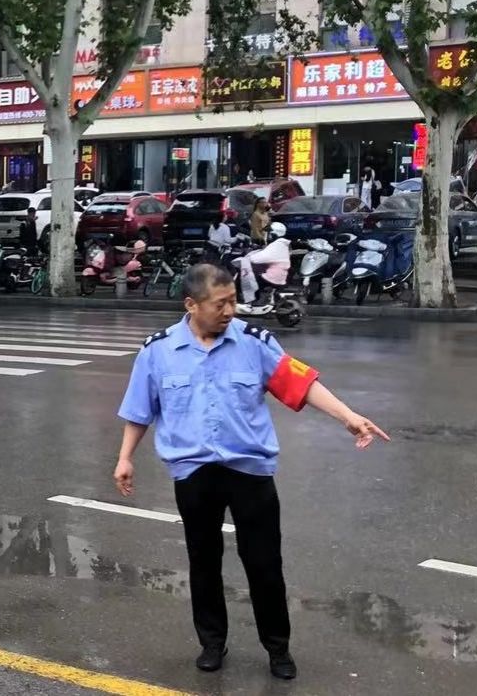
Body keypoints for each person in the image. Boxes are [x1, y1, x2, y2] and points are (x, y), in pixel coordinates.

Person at [113, 264, 387, 680]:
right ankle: (211, 643)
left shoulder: (255, 343)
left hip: (249, 471)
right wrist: (125, 457)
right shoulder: (158, 351)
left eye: (233, 301)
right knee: (203, 561)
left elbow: (301, 383)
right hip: (193, 472)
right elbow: (139, 410)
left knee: (264, 563)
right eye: (220, 304)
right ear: (191, 305)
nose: (230, 311)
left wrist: (348, 416)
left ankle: (278, 648)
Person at [236, 222, 292, 305]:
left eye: (269, 233)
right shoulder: (281, 244)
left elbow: (258, 259)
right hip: (279, 275)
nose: (267, 235)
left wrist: (249, 257)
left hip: (273, 277)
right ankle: (254, 300)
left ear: (274, 234)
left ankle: (252, 301)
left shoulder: (277, 245)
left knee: (249, 279)